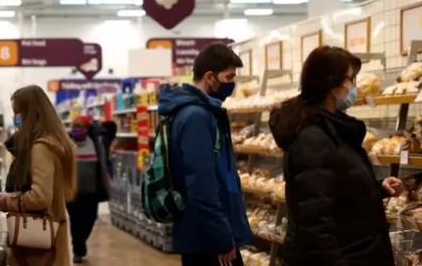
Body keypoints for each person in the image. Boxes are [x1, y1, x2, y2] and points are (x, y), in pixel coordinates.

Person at [268, 46, 402, 266]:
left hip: (357, 252)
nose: (354, 86)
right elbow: (315, 224)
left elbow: (333, 190)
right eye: (351, 78)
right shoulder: (312, 139)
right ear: (333, 85)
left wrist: (376, 189)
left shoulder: (332, 129)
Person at [157, 43, 253, 266]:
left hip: (203, 232)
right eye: (229, 77)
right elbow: (201, 182)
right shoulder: (196, 118)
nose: (232, 84)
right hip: (206, 237)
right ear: (210, 77)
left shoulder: (196, 112)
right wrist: (220, 236)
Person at [0, 85, 76, 266]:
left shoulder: (41, 147)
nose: (15, 118)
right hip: (37, 243)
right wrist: (2, 203)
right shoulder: (43, 144)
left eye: (17, 113)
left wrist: (6, 201)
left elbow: (40, 197)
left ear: (30, 113)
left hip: (40, 249)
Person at [67, 115, 111, 263]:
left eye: (81, 128)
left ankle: (81, 242)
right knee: (75, 221)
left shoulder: (95, 142)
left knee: (89, 221)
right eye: (75, 128)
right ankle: (78, 250)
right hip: (73, 192)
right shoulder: (67, 143)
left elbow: (111, 128)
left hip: (92, 191)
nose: (77, 131)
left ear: (87, 129)